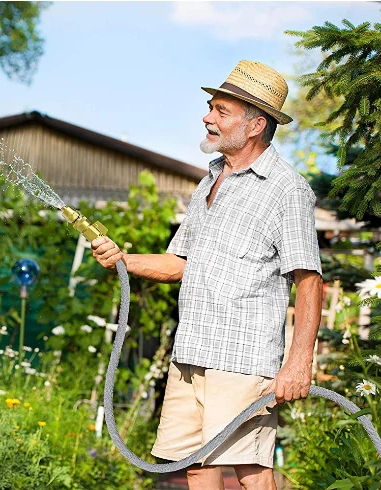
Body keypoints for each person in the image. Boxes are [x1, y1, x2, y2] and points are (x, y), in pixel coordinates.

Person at [91, 60, 323, 490]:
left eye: (220, 111)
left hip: (242, 358)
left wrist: (299, 362)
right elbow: (179, 263)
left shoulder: (286, 190)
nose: (207, 117)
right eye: (210, 107)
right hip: (193, 349)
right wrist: (122, 259)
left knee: (252, 471)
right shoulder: (210, 180)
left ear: (255, 125)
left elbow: (309, 280)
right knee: (197, 465)